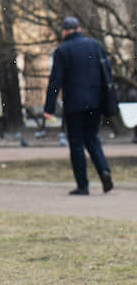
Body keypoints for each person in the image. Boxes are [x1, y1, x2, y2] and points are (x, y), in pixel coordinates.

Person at [43, 16, 114, 195]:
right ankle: (104, 171)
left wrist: (49, 107)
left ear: (65, 31)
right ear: (79, 28)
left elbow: (55, 81)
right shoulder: (95, 45)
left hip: (75, 103)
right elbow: (107, 72)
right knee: (92, 139)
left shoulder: (62, 51)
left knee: (76, 144)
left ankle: (83, 185)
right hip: (95, 101)